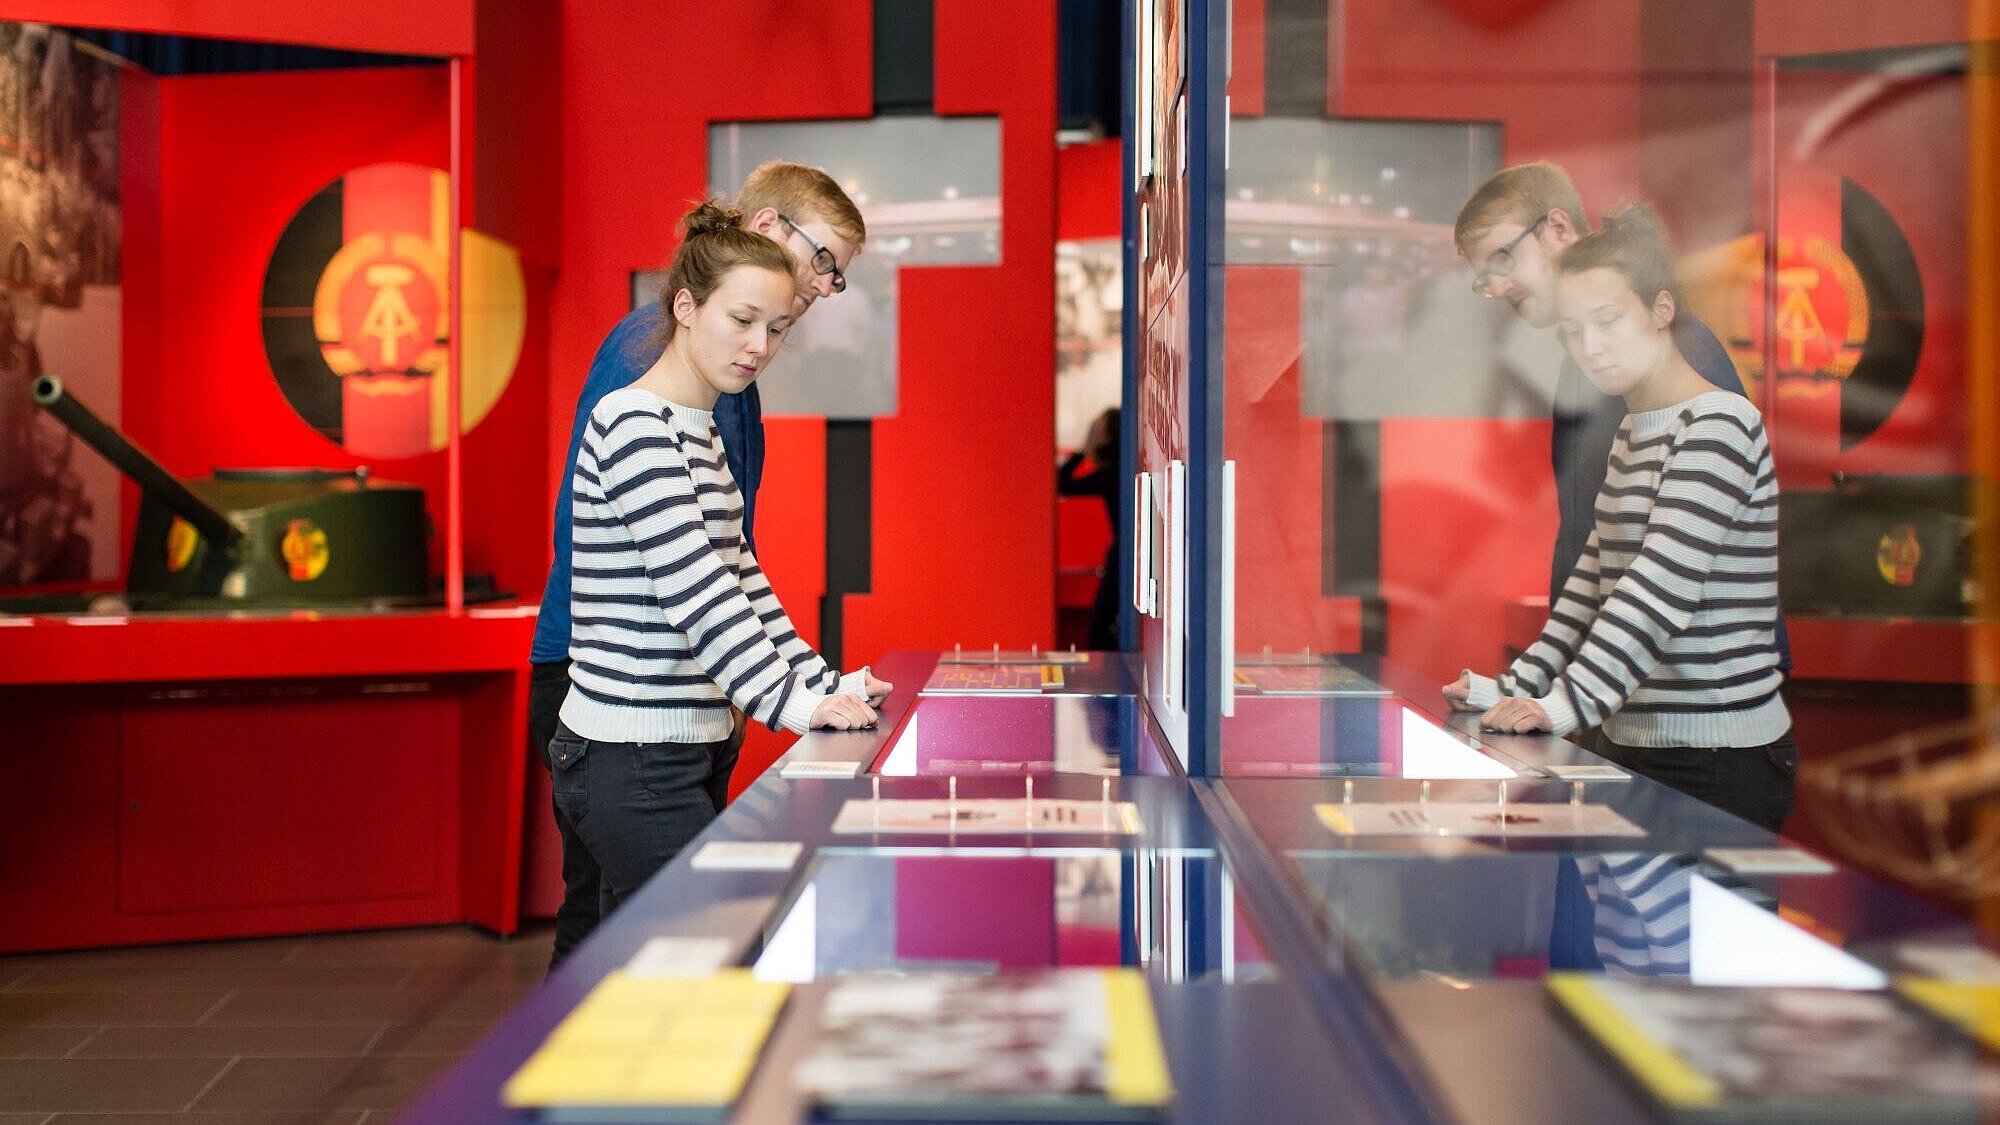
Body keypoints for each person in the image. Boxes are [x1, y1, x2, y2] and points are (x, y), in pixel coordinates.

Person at [528, 163, 882, 969]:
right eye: (823, 261)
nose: (762, 341)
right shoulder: (643, 405)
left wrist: (818, 681)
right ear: (688, 309)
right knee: (686, 950)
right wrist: (795, 703)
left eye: (776, 328)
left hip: (680, 727)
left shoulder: (703, 415)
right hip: (627, 737)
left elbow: (738, 574)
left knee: (644, 960)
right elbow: (696, 587)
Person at [1445, 205, 1794, 832]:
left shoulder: (1719, 424)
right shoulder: (1634, 431)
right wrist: (1514, 685)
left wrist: (1561, 705)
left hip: (1716, 755)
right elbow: (1590, 588)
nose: (1590, 348)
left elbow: (1654, 593)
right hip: (1636, 742)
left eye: (1607, 321)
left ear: (1661, 312)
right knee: (1623, 932)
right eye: (1573, 332)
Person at [1057, 406, 1121, 650]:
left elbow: (1065, 483)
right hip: (1127, 553)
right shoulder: (1121, 468)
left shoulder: (1111, 472)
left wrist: (1083, 451)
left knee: (1099, 628)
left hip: (1121, 556)